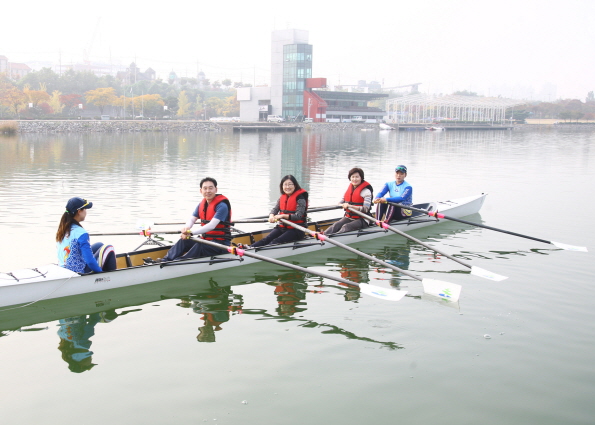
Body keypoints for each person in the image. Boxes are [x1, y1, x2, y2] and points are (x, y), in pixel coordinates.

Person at [152, 177, 232, 262]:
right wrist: (186, 229)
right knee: (184, 240)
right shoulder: (202, 204)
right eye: (205, 188)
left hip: (221, 244)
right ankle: (165, 260)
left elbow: (211, 226)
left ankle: (177, 262)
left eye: (210, 188)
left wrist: (191, 233)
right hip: (206, 239)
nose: (208, 191)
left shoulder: (222, 206)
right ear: (201, 191)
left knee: (200, 245)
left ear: (216, 189)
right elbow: (192, 219)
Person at [56, 197, 116, 274]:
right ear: (79, 211)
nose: (86, 212)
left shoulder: (63, 228)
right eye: (85, 209)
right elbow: (90, 262)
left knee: (99, 245)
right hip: (78, 272)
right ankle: (111, 278)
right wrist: (100, 274)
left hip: (64, 270)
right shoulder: (81, 233)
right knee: (109, 248)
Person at [251, 175, 308, 247]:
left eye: (290, 184)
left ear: (295, 185)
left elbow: (298, 216)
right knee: (266, 239)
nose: (287, 187)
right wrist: (271, 215)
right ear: (282, 186)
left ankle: (259, 253)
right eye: (285, 185)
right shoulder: (282, 197)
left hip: (296, 229)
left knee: (276, 242)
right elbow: (275, 209)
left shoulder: (300, 198)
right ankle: (249, 248)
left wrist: (283, 216)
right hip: (282, 227)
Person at [324, 167, 373, 235]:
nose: (354, 179)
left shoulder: (366, 191)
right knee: (336, 225)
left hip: (363, 219)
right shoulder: (349, 189)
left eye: (357, 177)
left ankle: (334, 238)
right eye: (352, 177)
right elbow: (340, 203)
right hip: (349, 217)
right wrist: (342, 205)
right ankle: (323, 236)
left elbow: (365, 209)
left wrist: (350, 206)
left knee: (346, 226)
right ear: (350, 178)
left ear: (361, 178)